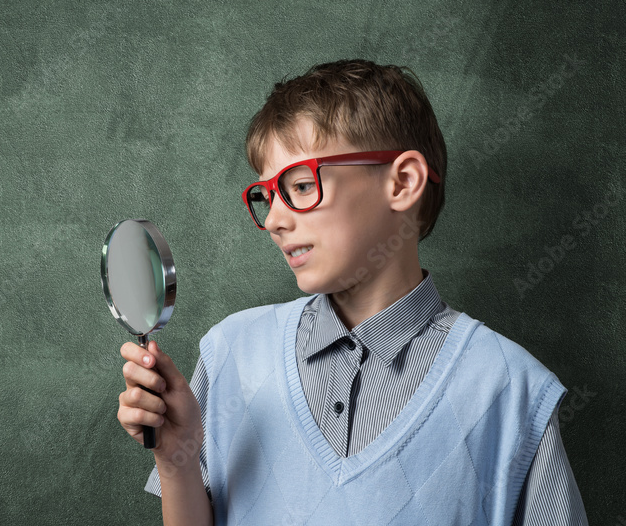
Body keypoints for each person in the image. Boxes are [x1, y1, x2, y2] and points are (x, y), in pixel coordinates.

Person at [117, 59, 588, 526]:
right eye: (267, 196)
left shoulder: (509, 389)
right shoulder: (231, 352)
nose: (277, 220)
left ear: (402, 182)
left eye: (301, 185)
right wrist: (175, 455)